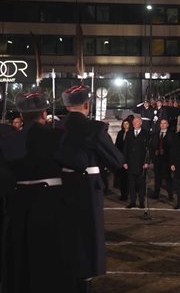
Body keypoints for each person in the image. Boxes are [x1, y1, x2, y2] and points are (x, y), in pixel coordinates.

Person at [0, 92, 79, 293]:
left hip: (18, 206)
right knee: (51, 260)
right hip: (51, 205)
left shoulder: (8, 141)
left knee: (21, 259)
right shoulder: (57, 136)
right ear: (44, 114)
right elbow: (75, 164)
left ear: (21, 113)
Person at [59, 85, 124, 293]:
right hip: (88, 187)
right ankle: (85, 277)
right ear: (87, 105)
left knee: (68, 233)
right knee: (89, 235)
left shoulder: (57, 127)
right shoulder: (95, 128)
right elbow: (116, 159)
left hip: (64, 186)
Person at [123, 116, 150, 209]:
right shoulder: (129, 133)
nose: (135, 123)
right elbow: (125, 148)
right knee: (131, 184)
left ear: (141, 123)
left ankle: (141, 202)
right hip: (130, 163)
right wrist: (124, 162)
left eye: (137, 122)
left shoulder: (146, 134)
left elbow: (148, 149)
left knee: (141, 184)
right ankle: (132, 201)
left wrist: (147, 162)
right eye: (134, 122)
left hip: (141, 164)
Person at [150, 119, 174, 200]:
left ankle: (170, 194)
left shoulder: (171, 135)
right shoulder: (155, 134)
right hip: (157, 160)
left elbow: (173, 148)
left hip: (167, 160)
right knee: (157, 177)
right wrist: (154, 153)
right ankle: (156, 193)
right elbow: (152, 147)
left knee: (168, 178)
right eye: (161, 123)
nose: (163, 125)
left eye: (164, 123)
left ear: (167, 125)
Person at [114, 119, 131, 201]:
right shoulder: (120, 133)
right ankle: (123, 194)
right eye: (124, 124)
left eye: (127, 123)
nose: (125, 125)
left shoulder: (131, 133)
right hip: (120, 158)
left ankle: (127, 194)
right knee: (122, 177)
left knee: (127, 177)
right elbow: (117, 145)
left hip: (128, 159)